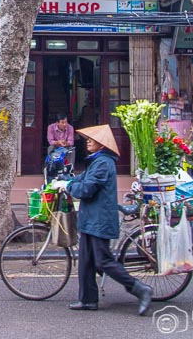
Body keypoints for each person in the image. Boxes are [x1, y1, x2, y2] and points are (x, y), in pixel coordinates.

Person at [57, 124, 153, 315]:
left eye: (92, 140)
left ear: (102, 145)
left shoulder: (103, 163)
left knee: (103, 261)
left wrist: (69, 188)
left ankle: (140, 289)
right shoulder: (96, 162)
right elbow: (82, 179)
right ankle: (88, 300)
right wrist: (66, 182)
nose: (88, 142)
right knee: (86, 260)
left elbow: (87, 188)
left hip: (99, 219)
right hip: (90, 218)